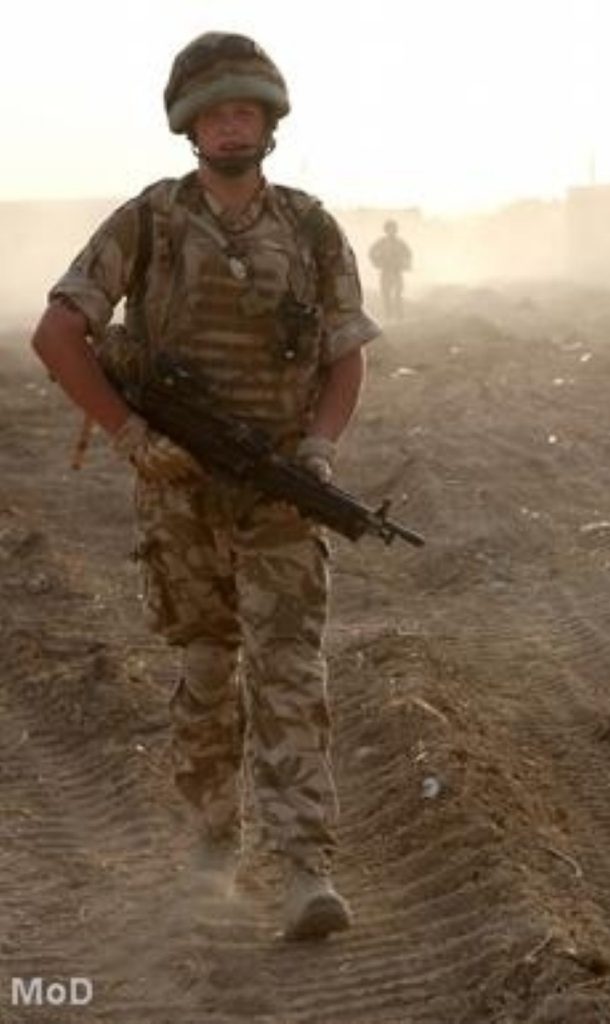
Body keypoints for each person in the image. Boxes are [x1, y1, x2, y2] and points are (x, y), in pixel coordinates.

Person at [30, 31, 381, 941]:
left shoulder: (308, 227)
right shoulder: (147, 222)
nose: (233, 125)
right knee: (206, 674)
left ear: (270, 120)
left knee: (292, 674)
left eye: (247, 110)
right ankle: (210, 856)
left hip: (276, 494)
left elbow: (346, 360)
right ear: (190, 126)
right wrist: (131, 434)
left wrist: (318, 449)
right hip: (180, 497)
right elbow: (59, 333)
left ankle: (306, 868)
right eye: (217, 112)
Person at [368, 219, 413, 320]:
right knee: (386, 294)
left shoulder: (400, 243)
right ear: (386, 230)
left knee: (398, 294)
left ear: (396, 230)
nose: (391, 231)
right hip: (385, 271)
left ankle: (399, 316)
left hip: (397, 271)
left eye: (393, 229)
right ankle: (388, 316)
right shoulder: (381, 242)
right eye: (389, 229)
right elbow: (371, 252)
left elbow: (408, 254)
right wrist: (376, 262)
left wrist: (406, 264)